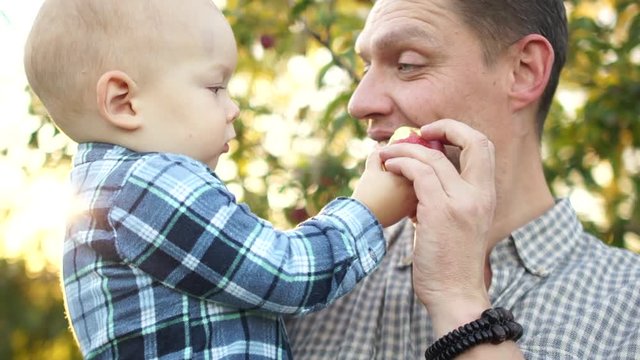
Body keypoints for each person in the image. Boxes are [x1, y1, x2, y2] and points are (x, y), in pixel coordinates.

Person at [23, 0, 419, 358]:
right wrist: (368, 210)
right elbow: (286, 275)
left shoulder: (104, 194)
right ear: (123, 101)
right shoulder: (151, 184)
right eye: (215, 87)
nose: (232, 109)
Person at [285, 0, 640, 359]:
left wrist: (457, 300)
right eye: (366, 66)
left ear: (524, 70)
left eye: (407, 64)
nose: (359, 103)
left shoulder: (629, 312)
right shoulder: (313, 277)